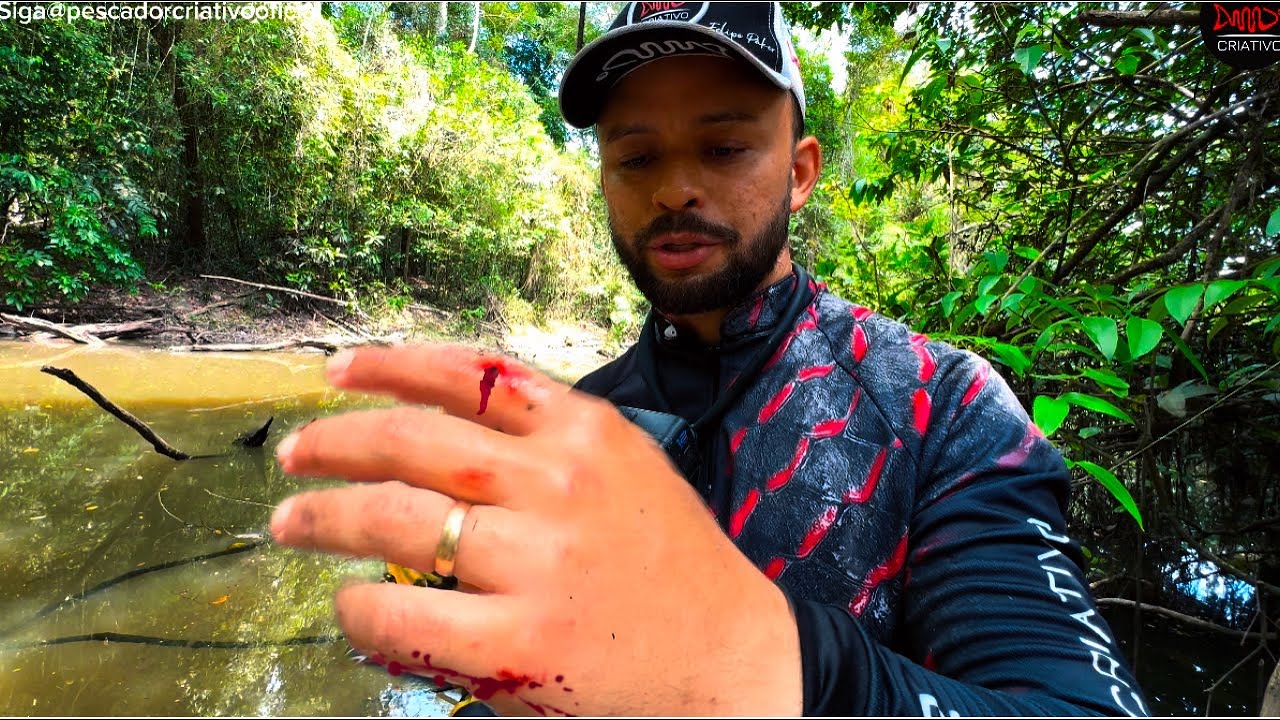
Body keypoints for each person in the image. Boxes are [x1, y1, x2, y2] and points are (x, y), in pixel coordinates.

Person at [269, 2, 1149, 716]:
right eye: (636, 156)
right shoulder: (571, 430)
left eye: (724, 147)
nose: (674, 188)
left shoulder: (942, 406)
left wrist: (774, 662)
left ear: (801, 171)